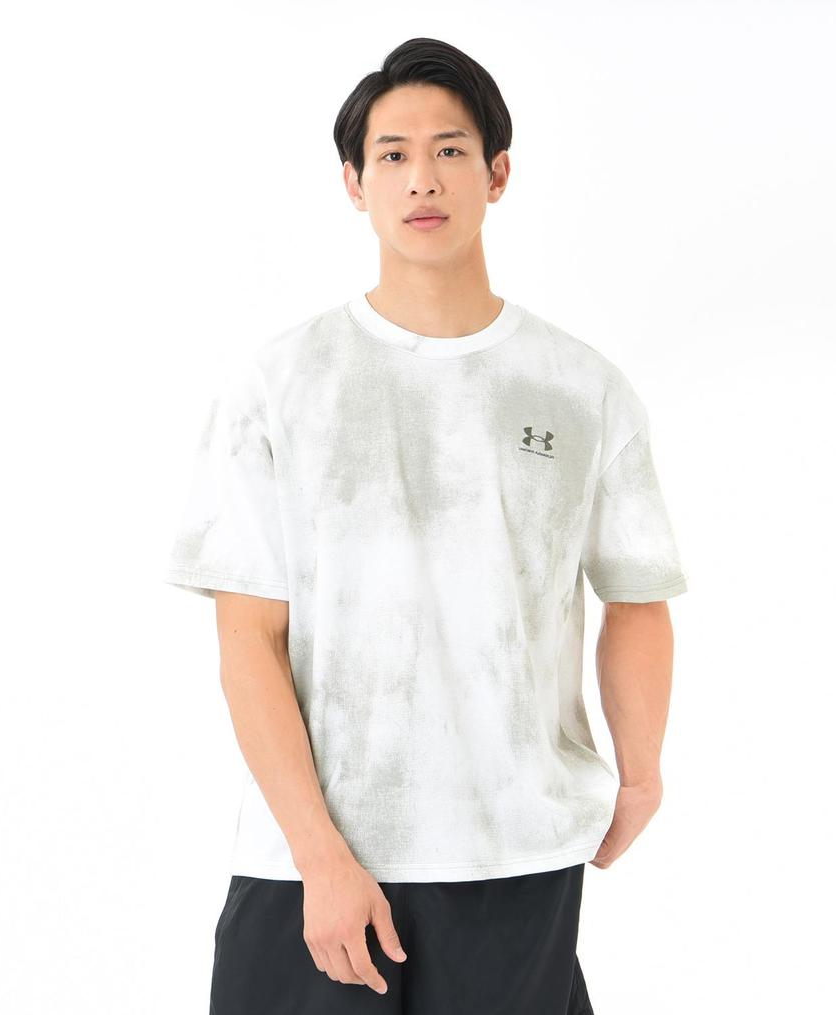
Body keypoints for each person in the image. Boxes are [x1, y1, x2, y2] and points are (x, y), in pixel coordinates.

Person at [164, 36, 687, 1015]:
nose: (422, 179)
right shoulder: (282, 383)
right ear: (353, 183)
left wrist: (641, 775)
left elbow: (637, 593)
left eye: (449, 150)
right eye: (392, 154)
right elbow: (248, 641)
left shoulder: (579, 388)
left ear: (497, 173)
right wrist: (321, 855)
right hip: (310, 869)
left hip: (512, 858)